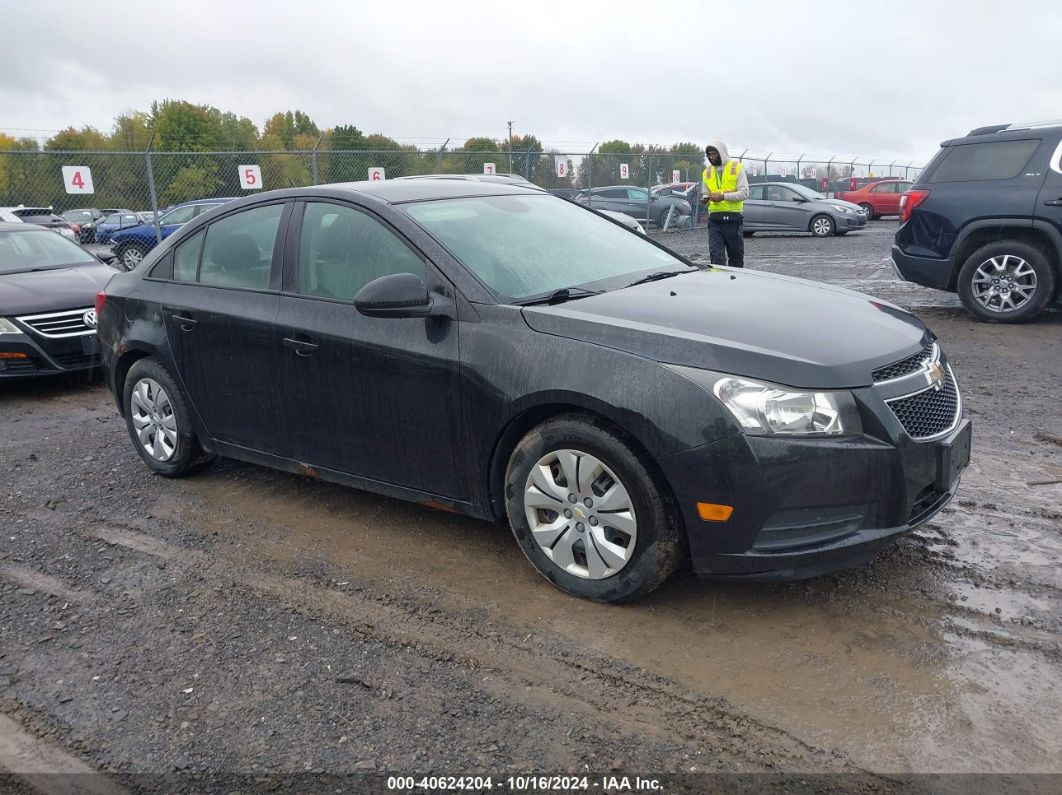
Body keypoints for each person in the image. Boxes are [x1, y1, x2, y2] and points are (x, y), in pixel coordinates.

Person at [701, 139, 749, 267]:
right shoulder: (707, 172)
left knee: (736, 257)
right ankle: (719, 284)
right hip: (715, 220)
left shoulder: (737, 168)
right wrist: (705, 198)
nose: (711, 157)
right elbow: (705, 193)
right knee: (716, 258)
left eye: (714, 154)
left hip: (734, 219)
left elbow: (744, 193)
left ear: (721, 152)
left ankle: (735, 283)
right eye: (709, 154)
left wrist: (723, 196)